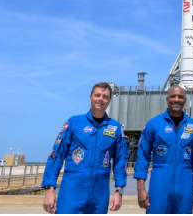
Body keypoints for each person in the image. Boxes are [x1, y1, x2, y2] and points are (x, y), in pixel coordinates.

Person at [41, 83, 129, 214]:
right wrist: (49, 189)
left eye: (105, 96)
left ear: (110, 100)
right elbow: (56, 156)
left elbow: (120, 161)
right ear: (90, 97)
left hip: (99, 195)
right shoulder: (74, 123)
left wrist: (119, 191)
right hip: (71, 192)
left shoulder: (115, 128)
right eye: (97, 95)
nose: (100, 99)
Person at [134, 85, 193, 214]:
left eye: (180, 97)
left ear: (185, 100)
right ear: (167, 99)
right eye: (173, 96)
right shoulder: (153, 124)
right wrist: (140, 188)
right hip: (159, 182)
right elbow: (142, 157)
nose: (176, 100)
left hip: (184, 183)